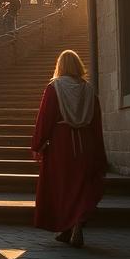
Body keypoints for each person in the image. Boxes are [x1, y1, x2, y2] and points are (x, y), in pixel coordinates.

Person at [31, 50, 107, 248]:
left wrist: (38, 144)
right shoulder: (89, 90)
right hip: (86, 142)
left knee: (64, 186)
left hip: (62, 143)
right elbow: (96, 122)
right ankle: (71, 227)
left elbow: (46, 117)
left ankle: (70, 224)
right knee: (81, 185)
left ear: (60, 65)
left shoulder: (54, 88)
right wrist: (99, 152)